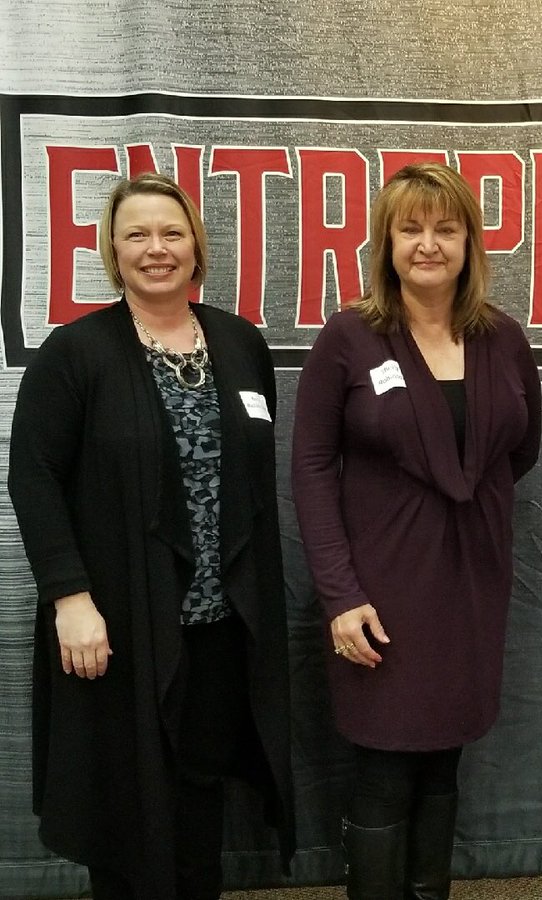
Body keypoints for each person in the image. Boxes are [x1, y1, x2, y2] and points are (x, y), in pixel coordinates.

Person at [7, 172, 296, 900]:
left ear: (196, 244)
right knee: (124, 810)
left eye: (171, 233)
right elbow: (33, 478)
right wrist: (70, 598)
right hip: (119, 624)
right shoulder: (76, 352)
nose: (156, 249)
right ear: (112, 249)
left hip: (220, 626)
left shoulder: (239, 342)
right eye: (136, 234)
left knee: (200, 801)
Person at [291, 162, 541, 900]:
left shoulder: (502, 338)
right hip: (377, 593)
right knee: (384, 765)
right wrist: (340, 594)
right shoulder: (349, 338)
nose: (428, 244)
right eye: (411, 229)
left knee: (443, 760)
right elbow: (310, 470)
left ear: (469, 242)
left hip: (470, 586)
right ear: (386, 243)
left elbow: (519, 451)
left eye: (446, 227)